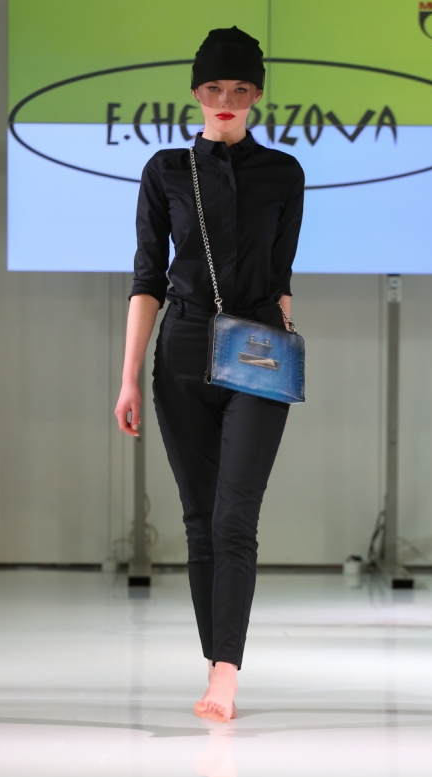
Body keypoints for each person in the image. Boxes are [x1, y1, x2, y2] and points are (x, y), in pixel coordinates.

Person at [115, 26, 305, 723]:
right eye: (214, 87)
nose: (226, 99)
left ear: (257, 94)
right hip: (183, 349)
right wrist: (128, 378)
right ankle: (215, 658)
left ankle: (226, 673)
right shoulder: (165, 170)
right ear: (195, 92)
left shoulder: (283, 173)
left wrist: (282, 340)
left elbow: (281, 276)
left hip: (257, 345)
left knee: (234, 517)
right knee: (200, 521)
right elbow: (147, 280)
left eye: (240, 88)